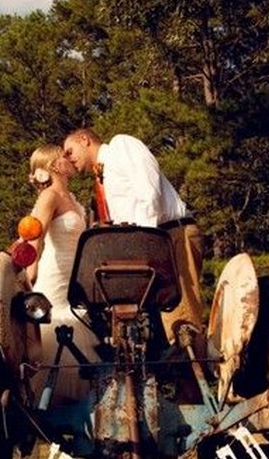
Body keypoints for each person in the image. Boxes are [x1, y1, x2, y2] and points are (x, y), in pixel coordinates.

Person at [62, 128, 205, 351]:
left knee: (182, 320)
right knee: (157, 330)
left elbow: (149, 193)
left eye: (69, 151)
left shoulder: (121, 146)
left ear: (84, 139)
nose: (68, 159)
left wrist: (143, 248)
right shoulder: (102, 178)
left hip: (169, 237)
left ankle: (194, 381)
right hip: (148, 245)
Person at [22, 143, 97, 403]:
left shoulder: (73, 199)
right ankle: (48, 402)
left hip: (75, 276)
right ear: (55, 165)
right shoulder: (49, 197)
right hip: (55, 273)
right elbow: (35, 238)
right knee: (56, 329)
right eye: (64, 157)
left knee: (78, 330)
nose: (70, 160)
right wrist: (28, 277)